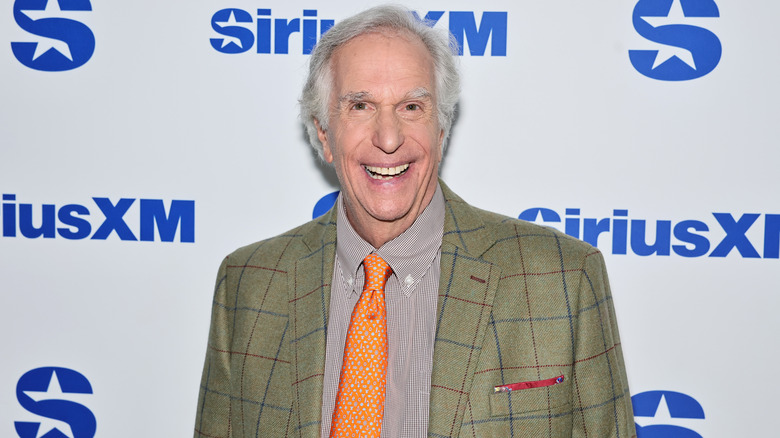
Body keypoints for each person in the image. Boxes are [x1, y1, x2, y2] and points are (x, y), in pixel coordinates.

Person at [194, 5, 635, 438]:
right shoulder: (249, 286)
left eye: (411, 107)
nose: (389, 139)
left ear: (441, 132)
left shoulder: (560, 280)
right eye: (360, 105)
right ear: (324, 134)